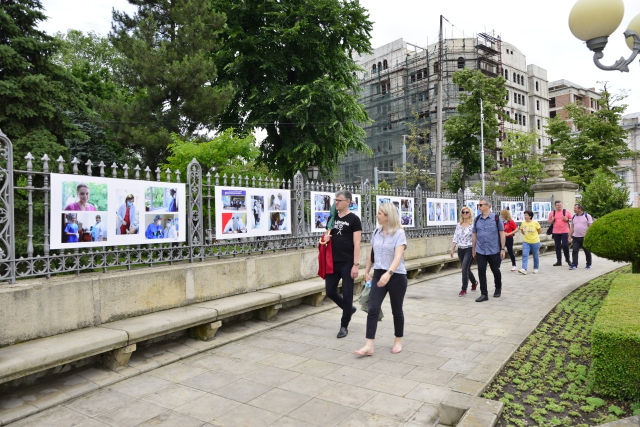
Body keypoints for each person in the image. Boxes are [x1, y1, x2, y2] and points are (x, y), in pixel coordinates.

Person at [355, 203, 407, 356]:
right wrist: (366, 270)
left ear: (387, 216)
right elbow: (372, 252)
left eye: (379, 213)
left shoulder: (399, 234)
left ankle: (398, 340)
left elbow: (398, 256)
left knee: (396, 310)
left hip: (396, 275)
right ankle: (369, 345)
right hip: (378, 273)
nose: (376, 215)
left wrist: (389, 273)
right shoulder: (376, 232)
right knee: (372, 308)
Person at [323, 190, 362, 338]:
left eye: (339, 200)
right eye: (335, 200)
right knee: (330, 291)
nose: (336, 202)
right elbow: (327, 235)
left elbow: (357, 243)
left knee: (347, 294)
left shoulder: (354, 219)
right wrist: (326, 238)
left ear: (348, 202)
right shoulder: (332, 218)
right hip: (333, 262)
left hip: (347, 263)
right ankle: (348, 309)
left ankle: (344, 325)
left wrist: (355, 264)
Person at [472, 196, 505, 302]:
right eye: (478, 205)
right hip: (480, 250)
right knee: (481, 271)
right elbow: (474, 235)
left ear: (488, 206)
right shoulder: (477, 219)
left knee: (495, 270)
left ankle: (498, 288)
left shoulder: (496, 218)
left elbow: (502, 233)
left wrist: (503, 249)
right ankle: (484, 294)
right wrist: (473, 249)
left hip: (493, 250)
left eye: (481, 205)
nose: (479, 207)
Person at [451, 207, 478, 297]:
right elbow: (455, 237)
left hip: (469, 248)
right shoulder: (458, 225)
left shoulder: (473, 224)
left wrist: (475, 249)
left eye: (467, 212)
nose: (465, 213)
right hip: (460, 249)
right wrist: (452, 249)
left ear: (470, 214)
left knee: (464, 267)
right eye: (463, 212)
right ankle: (474, 282)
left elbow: (475, 237)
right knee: (466, 268)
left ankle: (463, 289)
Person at [569, 203, 593, 270]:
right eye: (574, 208)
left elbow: (590, 227)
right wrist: (569, 236)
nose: (574, 209)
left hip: (584, 237)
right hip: (576, 237)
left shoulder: (587, 216)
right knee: (575, 251)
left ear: (580, 209)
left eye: (575, 208)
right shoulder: (574, 217)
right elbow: (572, 227)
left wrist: (589, 236)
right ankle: (574, 264)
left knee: (587, 251)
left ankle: (588, 264)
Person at [518, 210, 541, 275]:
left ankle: (536, 268)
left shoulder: (535, 223)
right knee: (525, 254)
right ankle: (524, 269)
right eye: (524, 215)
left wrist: (534, 236)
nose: (525, 216)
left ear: (530, 216)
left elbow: (539, 231)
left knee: (535, 256)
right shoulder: (523, 223)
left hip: (535, 242)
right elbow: (522, 231)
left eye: (526, 215)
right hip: (526, 242)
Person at [549, 200, 571, 266]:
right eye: (558, 205)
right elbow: (549, 222)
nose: (559, 206)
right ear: (555, 206)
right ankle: (559, 261)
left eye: (560, 205)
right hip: (556, 232)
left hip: (565, 231)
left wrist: (567, 219)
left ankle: (568, 259)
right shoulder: (552, 213)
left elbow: (572, 219)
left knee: (565, 245)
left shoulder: (566, 212)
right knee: (557, 246)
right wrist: (552, 220)